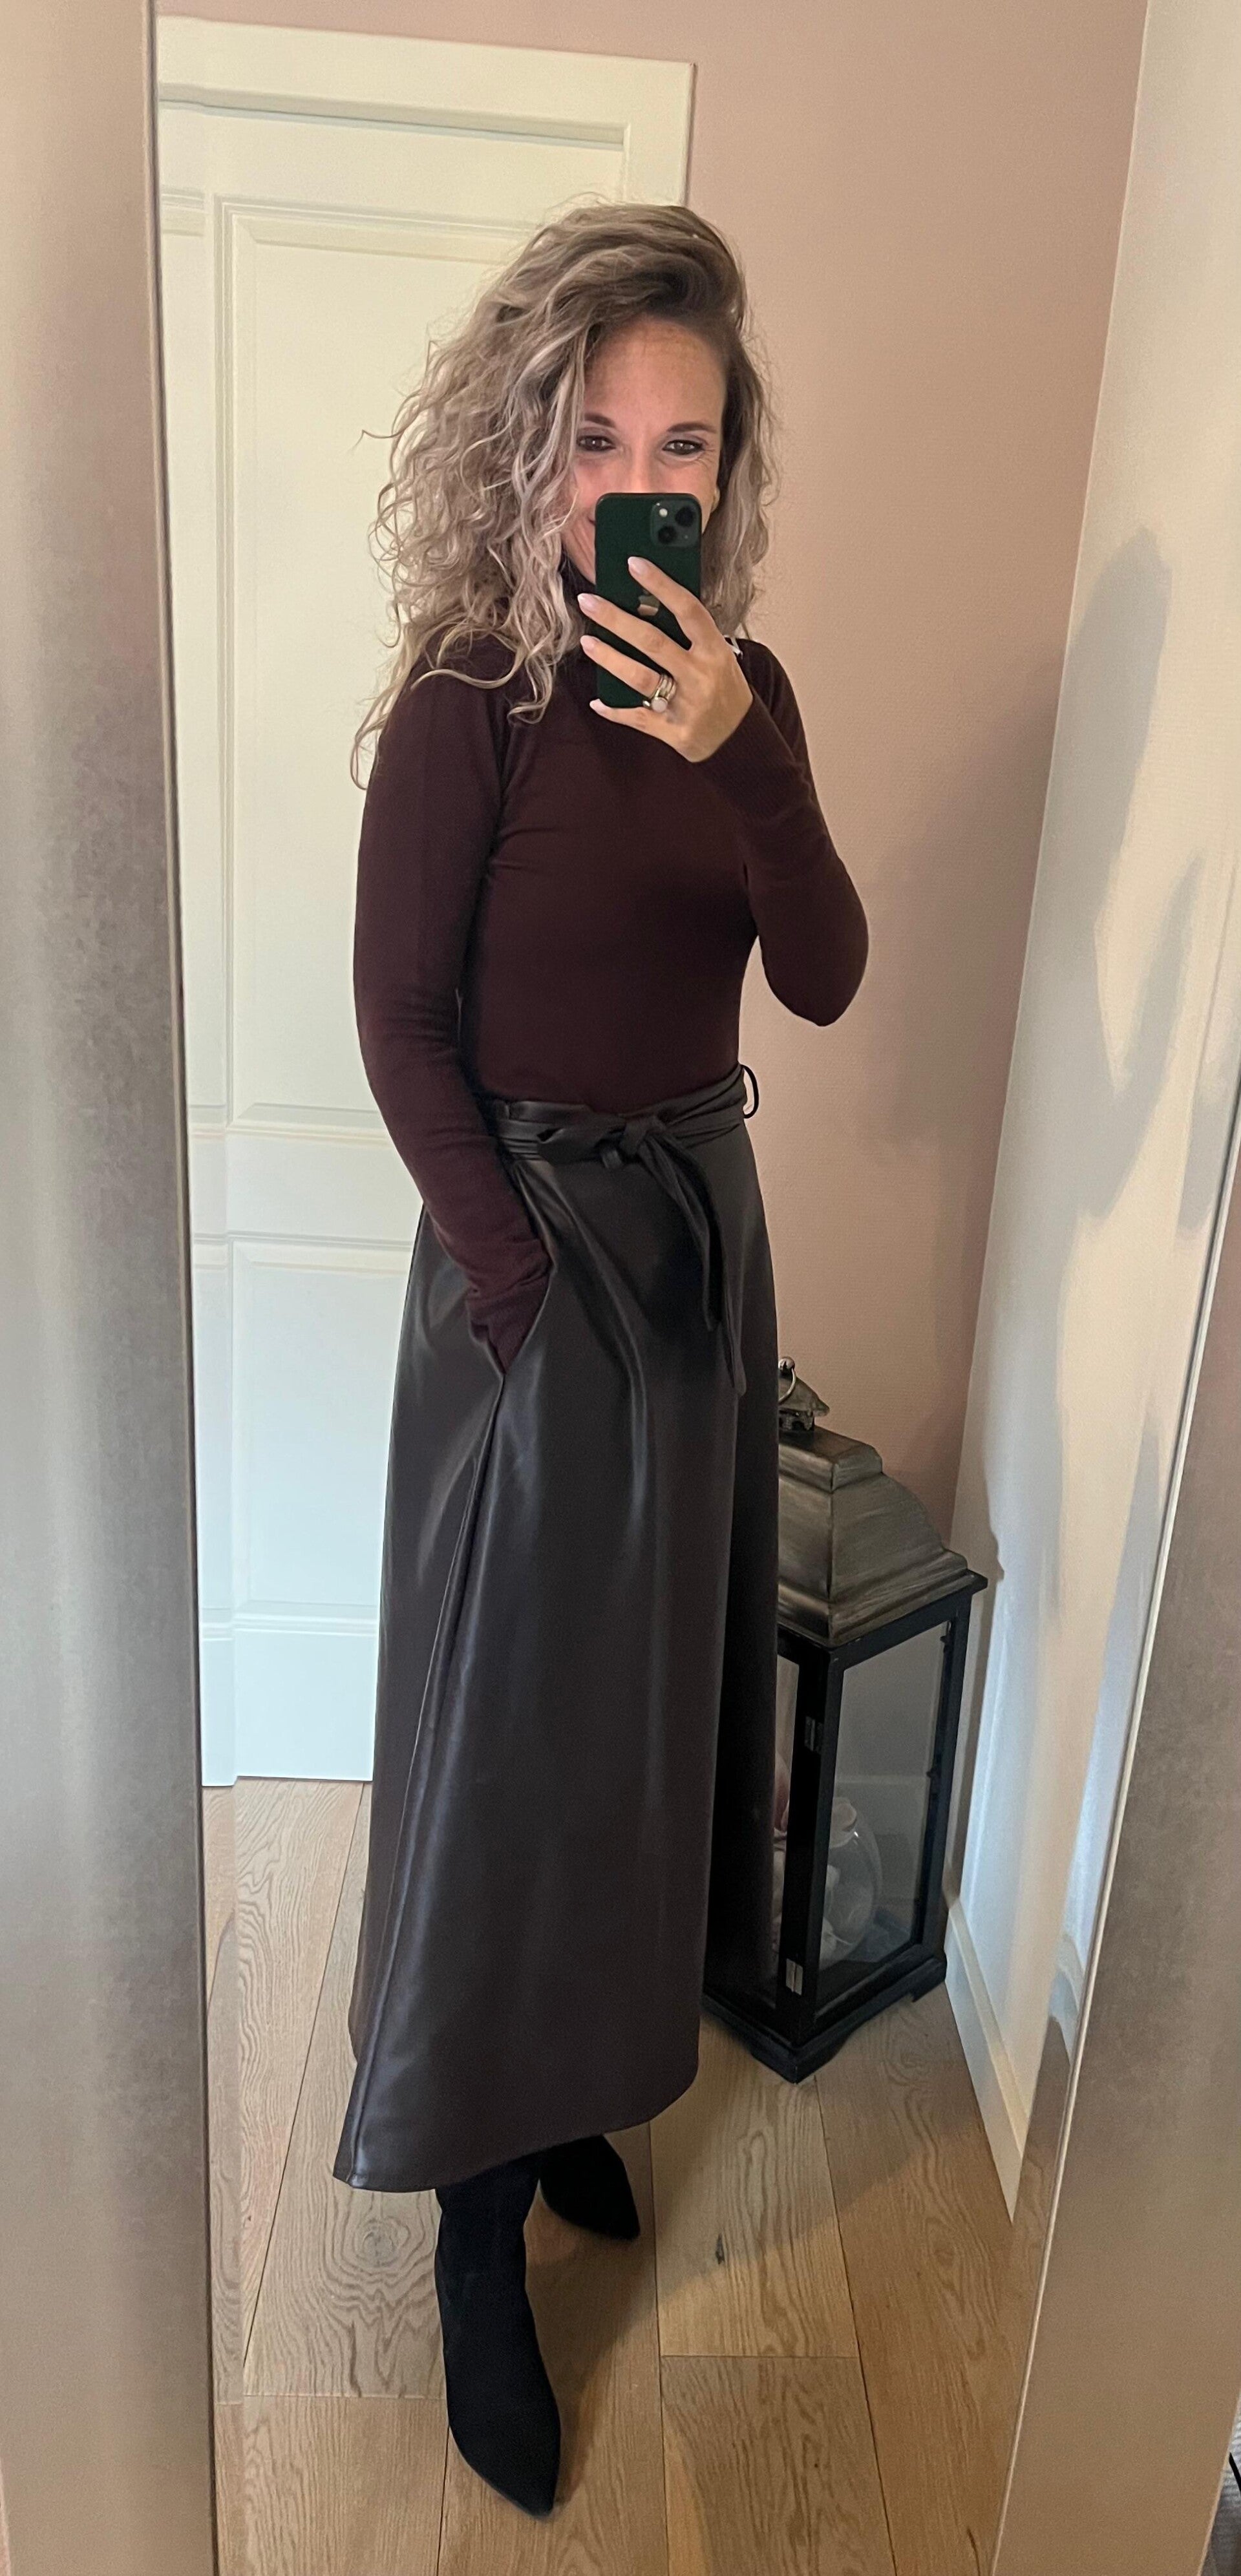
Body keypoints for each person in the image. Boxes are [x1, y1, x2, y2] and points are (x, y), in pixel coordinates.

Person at [330, 199, 869, 2518]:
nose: (641, 482)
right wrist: (517, 1289)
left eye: (687, 444)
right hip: (531, 1271)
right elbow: (398, 1023)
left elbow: (823, 971)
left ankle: (565, 2105)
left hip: (700, 1263)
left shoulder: (752, 703)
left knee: (641, 1728)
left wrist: (750, 755)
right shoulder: (470, 702)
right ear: (532, 452)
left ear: (728, 468)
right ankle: (473, 2227)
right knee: (508, 1759)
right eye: (598, 441)